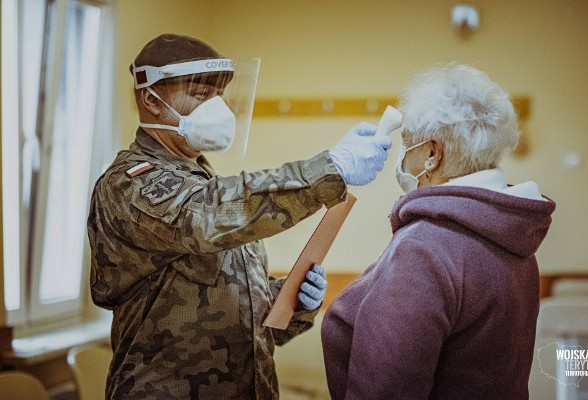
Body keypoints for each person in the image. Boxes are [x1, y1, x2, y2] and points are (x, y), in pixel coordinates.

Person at [87, 33, 392, 399]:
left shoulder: (206, 183)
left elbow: (249, 323)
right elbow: (205, 214)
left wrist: (293, 301)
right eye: (200, 95)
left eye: (218, 95)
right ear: (152, 100)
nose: (216, 108)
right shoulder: (129, 184)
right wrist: (331, 168)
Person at [321, 64, 556, 400]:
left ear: (432, 153)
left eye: (406, 143)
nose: (401, 156)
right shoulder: (514, 233)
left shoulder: (424, 248)